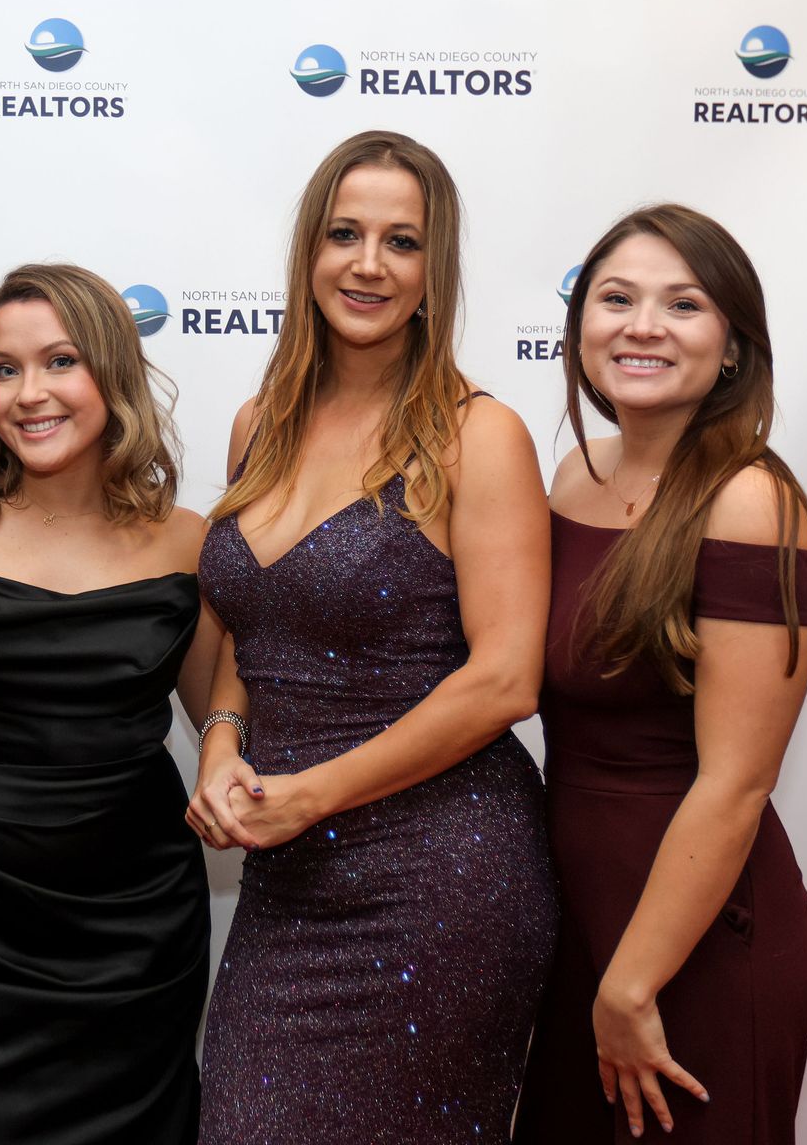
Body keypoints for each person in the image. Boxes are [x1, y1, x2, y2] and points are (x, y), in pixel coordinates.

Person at [187, 129, 559, 1142]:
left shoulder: (477, 435)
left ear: (435, 273)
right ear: (309, 251)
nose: (368, 264)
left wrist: (312, 793)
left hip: (439, 877)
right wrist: (221, 742)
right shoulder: (259, 423)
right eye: (345, 234)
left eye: (402, 242)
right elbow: (251, 633)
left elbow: (506, 680)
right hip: (289, 875)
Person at [0, 263, 219, 1145]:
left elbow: (224, 709)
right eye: (4, 370)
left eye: (60, 361)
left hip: (134, 925)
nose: (29, 393)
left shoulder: (190, 542)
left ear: (113, 371)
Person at [513, 204, 807, 1144]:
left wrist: (633, 983)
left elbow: (737, 782)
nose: (642, 326)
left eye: (683, 305)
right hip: (582, 929)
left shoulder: (752, 502)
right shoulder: (572, 476)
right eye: (616, 299)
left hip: (696, 945)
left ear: (732, 348)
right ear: (580, 328)